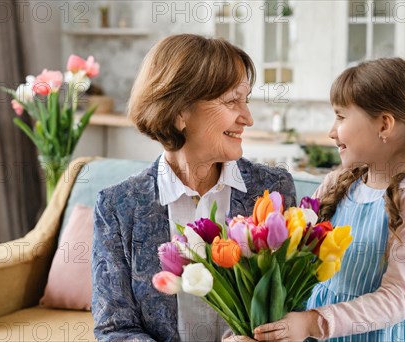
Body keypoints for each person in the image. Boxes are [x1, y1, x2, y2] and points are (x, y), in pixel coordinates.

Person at [91, 34, 297, 342]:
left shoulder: (272, 189)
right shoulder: (118, 206)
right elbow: (114, 329)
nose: (248, 118)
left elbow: (293, 306)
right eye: (231, 101)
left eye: (246, 100)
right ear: (180, 112)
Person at [252, 58, 405, 341]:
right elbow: (295, 256)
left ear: (384, 125)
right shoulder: (337, 183)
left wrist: (312, 324)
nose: (331, 131)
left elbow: (397, 298)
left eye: (341, 117)